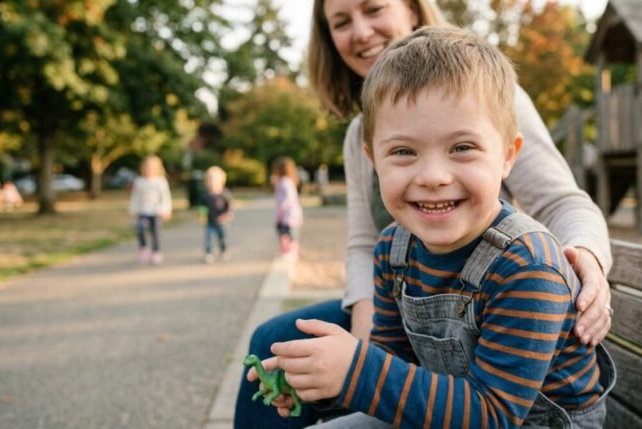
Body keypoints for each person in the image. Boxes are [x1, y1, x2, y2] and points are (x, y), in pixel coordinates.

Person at [234, 1, 614, 427]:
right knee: (279, 348)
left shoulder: (525, 266)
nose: (433, 176)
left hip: (521, 419)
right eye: (402, 152)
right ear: (372, 157)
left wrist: (588, 261)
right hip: (450, 400)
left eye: (462, 148)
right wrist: (326, 382)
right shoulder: (391, 250)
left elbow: (492, 415)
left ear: (507, 155)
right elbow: (393, 364)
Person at [129, 155, 172, 265]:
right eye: (147, 167)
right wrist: (133, 209)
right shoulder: (139, 181)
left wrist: (166, 210)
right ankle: (143, 249)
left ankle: (156, 251)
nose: (149, 169)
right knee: (140, 230)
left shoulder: (160, 181)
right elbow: (135, 196)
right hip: (143, 212)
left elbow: (165, 197)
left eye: (152, 167)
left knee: (155, 233)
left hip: (156, 212)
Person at [272, 156, 304, 256]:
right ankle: (289, 251)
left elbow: (287, 198)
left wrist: (281, 210)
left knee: (286, 235)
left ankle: (288, 252)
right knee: (290, 235)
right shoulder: (289, 180)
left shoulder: (284, 181)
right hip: (291, 215)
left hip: (287, 216)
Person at [201, 166, 234, 263]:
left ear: (221, 181)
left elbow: (229, 208)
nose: (211, 183)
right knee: (208, 238)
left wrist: (226, 216)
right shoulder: (206, 195)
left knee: (222, 237)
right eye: (209, 181)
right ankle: (208, 253)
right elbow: (203, 208)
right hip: (210, 221)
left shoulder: (224, 194)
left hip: (222, 221)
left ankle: (224, 250)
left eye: (214, 181)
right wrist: (202, 216)